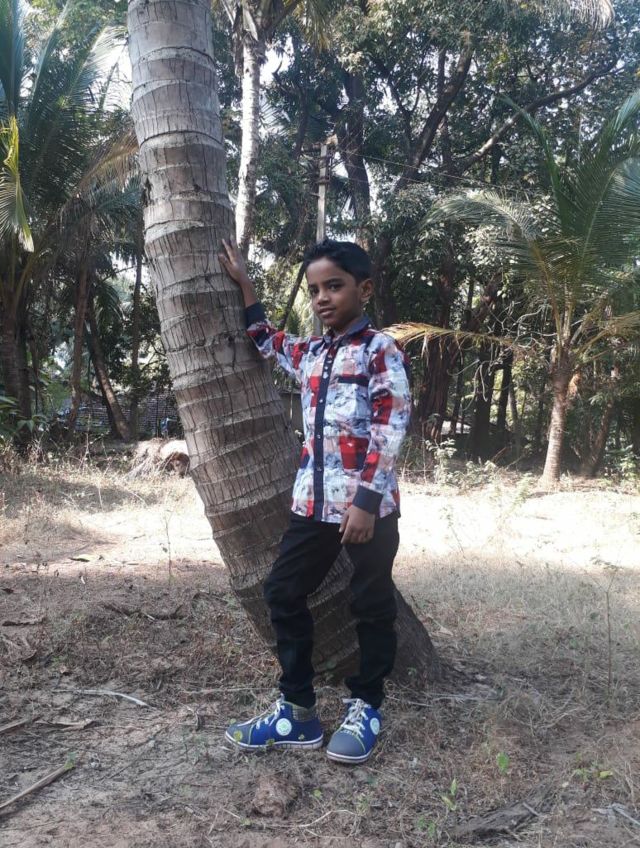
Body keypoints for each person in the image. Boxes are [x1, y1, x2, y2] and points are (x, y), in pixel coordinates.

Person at [218, 236, 411, 764]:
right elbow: (265, 338)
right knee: (282, 591)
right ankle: (298, 712)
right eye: (314, 290)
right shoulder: (311, 352)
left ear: (363, 289)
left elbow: (391, 426)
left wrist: (366, 502)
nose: (323, 298)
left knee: (370, 603)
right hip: (313, 506)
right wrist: (246, 285)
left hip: (368, 509)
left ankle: (367, 705)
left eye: (334, 286)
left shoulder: (379, 349)